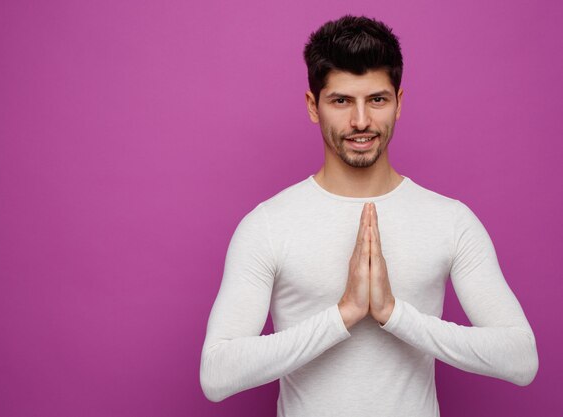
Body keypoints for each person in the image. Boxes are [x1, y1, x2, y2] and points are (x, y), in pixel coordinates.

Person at [199, 15, 538, 417]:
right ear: (314, 106)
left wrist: (395, 315)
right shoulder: (269, 225)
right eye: (341, 100)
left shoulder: (451, 221)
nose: (361, 121)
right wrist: (344, 314)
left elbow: (521, 360)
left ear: (399, 103)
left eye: (377, 99)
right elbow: (216, 375)